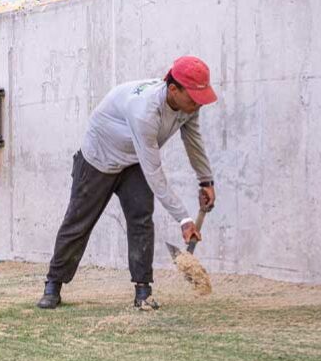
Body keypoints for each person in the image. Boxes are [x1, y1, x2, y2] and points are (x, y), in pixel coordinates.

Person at [37, 56, 218, 310]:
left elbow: (193, 141)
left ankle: (143, 291)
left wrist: (205, 180)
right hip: (99, 158)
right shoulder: (145, 111)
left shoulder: (189, 106)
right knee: (78, 222)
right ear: (174, 89)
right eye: (193, 98)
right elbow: (154, 171)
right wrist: (184, 220)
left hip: (133, 160)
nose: (198, 104)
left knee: (141, 220)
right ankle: (53, 284)